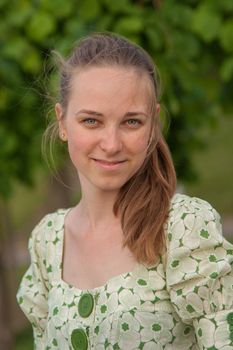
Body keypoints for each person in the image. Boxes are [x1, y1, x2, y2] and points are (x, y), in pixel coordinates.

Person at [17, 32, 233, 350]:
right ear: (62, 122)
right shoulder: (47, 241)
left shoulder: (183, 228)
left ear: (152, 125)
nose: (112, 144)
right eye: (92, 121)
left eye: (131, 122)